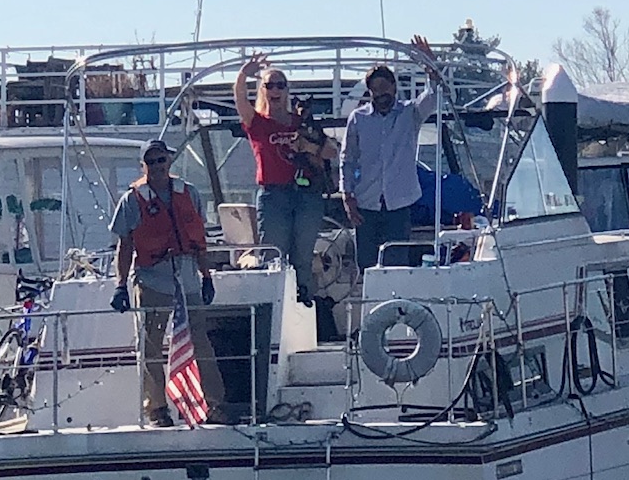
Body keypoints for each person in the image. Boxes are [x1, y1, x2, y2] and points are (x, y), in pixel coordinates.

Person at [110, 141, 227, 426]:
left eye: (162, 159)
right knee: (151, 346)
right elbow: (124, 246)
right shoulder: (132, 200)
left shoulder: (189, 193)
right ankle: (157, 410)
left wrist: (206, 277)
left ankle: (214, 406)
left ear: (170, 161)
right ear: (143, 165)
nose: (158, 165)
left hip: (187, 279)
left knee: (201, 343)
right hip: (152, 280)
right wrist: (120, 285)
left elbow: (199, 240)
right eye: (151, 161)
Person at [234, 56, 335, 305]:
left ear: (287, 90)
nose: (275, 90)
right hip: (273, 195)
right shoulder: (256, 122)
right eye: (270, 85)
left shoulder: (301, 121)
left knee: (303, 256)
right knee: (274, 257)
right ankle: (275, 311)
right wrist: (244, 74)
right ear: (263, 91)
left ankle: (304, 309)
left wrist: (307, 147)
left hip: (307, 195)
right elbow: (239, 100)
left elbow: (331, 151)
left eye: (280, 85)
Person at [342, 36, 442, 272]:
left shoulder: (411, 113)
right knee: (366, 266)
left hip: (399, 203)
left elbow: (435, 94)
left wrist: (430, 63)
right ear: (369, 92)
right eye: (375, 89)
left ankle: (395, 309)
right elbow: (347, 160)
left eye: (385, 87)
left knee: (397, 266)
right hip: (366, 203)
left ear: (394, 87)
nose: (381, 93)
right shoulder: (358, 118)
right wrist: (347, 196)